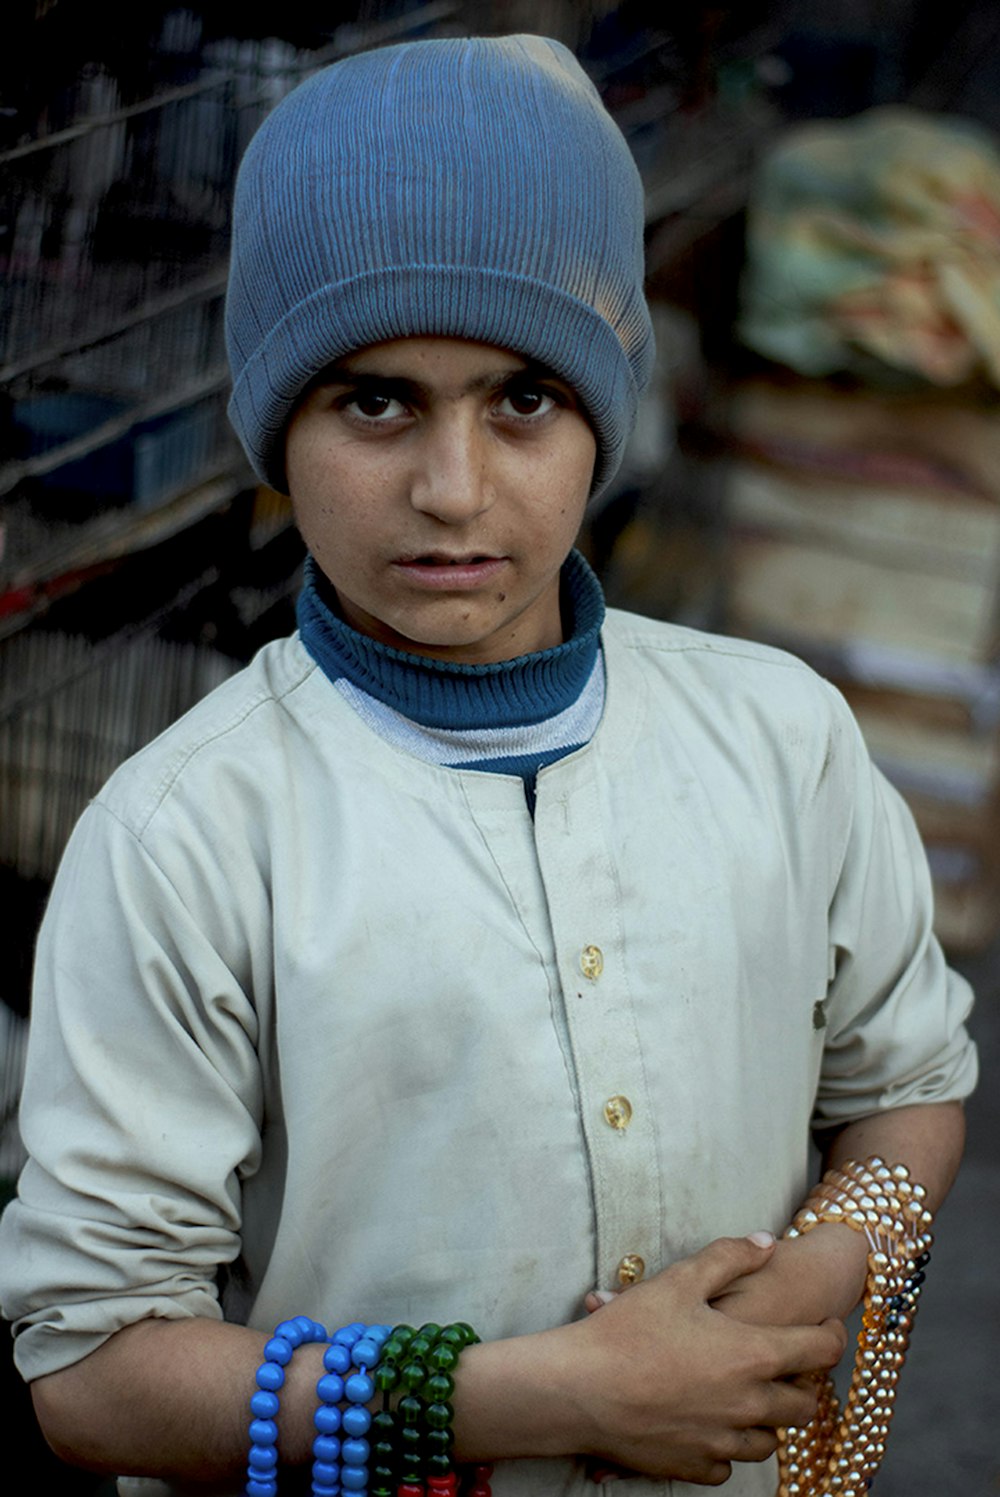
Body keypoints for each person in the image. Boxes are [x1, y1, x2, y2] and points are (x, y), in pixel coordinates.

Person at [0, 33, 976, 1497]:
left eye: (524, 397)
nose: (452, 489)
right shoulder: (184, 838)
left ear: (605, 406)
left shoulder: (784, 741)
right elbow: (92, 1373)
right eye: (375, 401)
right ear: (277, 424)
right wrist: (532, 1397)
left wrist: (831, 1275)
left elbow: (906, 1084)